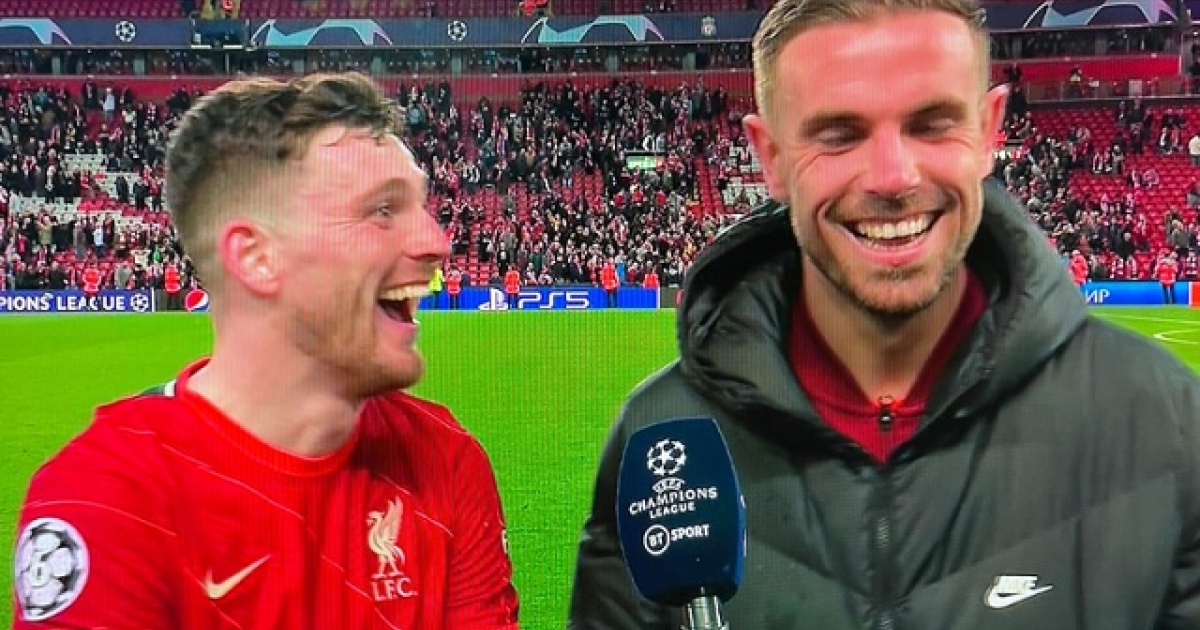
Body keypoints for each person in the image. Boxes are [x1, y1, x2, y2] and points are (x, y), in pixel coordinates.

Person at [567, 1, 1200, 628]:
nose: (893, 178)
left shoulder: (1163, 421)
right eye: (839, 134)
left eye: (932, 124)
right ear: (771, 157)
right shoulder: (662, 436)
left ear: (989, 132)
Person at [12, 72, 521, 630]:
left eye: (419, 206)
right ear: (256, 257)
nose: (435, 243)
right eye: (381, 210)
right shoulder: (106, 499)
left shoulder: (445, 461)